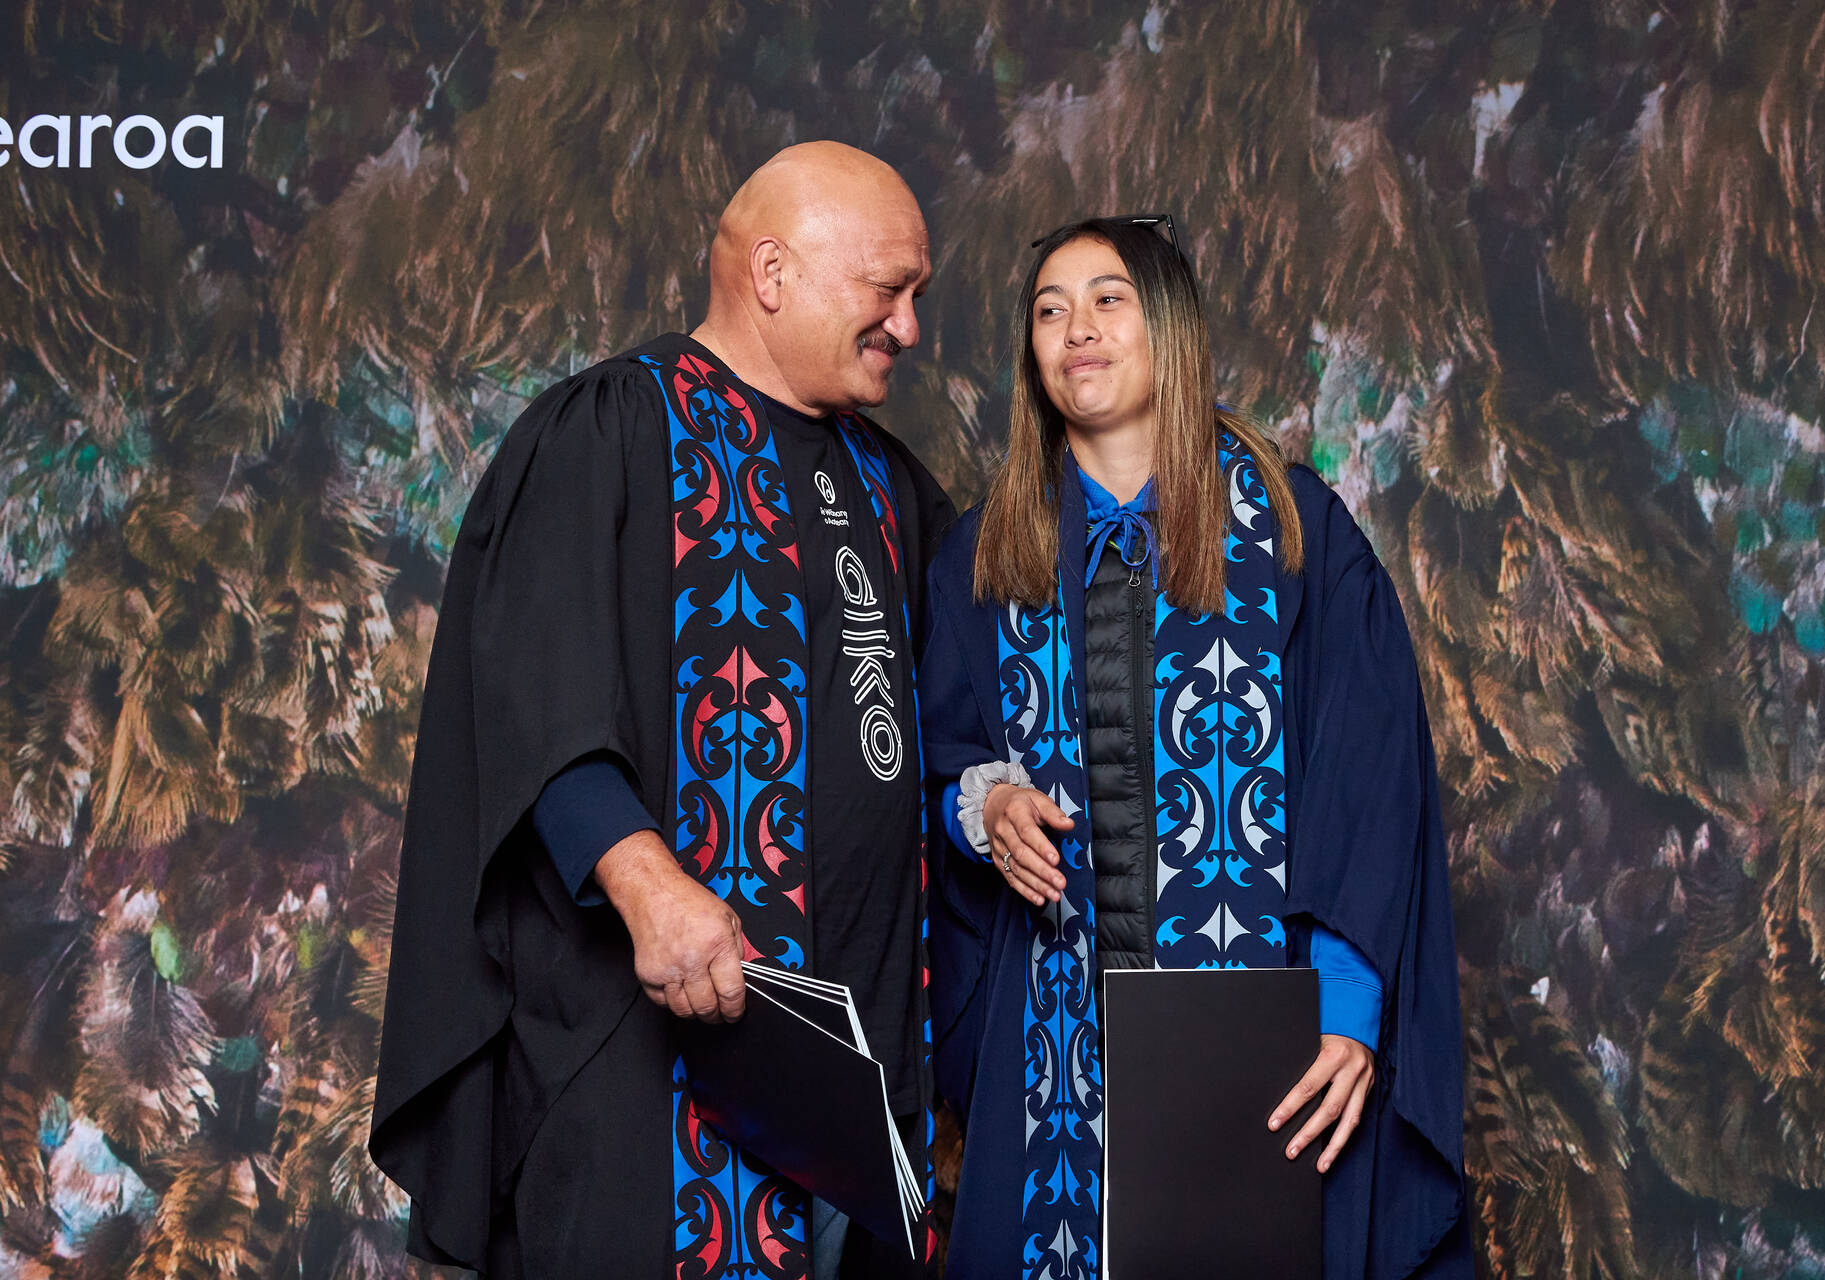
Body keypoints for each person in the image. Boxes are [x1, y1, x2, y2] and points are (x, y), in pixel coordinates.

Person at [370, 141, 954, 1280]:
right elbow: (537, 700)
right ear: (774, 273)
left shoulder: (889, 485)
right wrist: (647, 887)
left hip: (865, 1088)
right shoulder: (614, 430)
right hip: (657, 1076)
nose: (911, 328)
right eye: (890, 290)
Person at [919, 217, 1469, 1278]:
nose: (1077, 329)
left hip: (1262, 1026)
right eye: (1049, 310)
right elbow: (938, 755)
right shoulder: (986, 552)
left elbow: (1367, 772)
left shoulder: (1294, 527)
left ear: (1169, 324)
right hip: (1055, 1034)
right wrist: (981, 807)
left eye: (1108, 299)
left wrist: (1346, 1008)